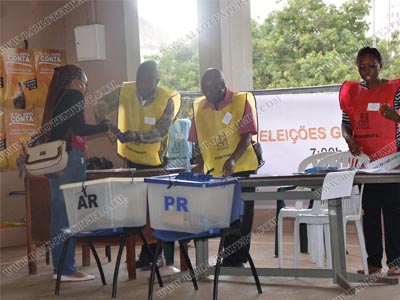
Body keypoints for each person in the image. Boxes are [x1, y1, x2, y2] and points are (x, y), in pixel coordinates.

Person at [94, 60, 181, 270]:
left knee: (155, 210)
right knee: (135, 209)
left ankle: (155, 255)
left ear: (156, 81)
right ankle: (141, 254)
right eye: (139, 81)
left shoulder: (167, 99)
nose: (141, 85)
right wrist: (107, 124)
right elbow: (100, 104)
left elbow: (162, 131)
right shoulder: (126, 90)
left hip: (155, 161)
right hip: (131, 159)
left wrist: (138, 136)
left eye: (147, 82)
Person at [38, 64, 114, 281]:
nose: (85, 88)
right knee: (70, 215)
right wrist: (104, 126)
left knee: (59, 216)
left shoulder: (57, 98)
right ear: (78, 80)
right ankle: (67, 269)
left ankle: (60, 268)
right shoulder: (73, 95)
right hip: (69, 161)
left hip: (55, 163)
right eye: (85, 83)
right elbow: (80, 129)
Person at [189, 68, 259, 267]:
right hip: (216, 172)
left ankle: (235, 259)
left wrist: (234, 159)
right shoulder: (199, 108)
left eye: (212, 88)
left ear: (222, 85)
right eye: (205, 89)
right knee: (224, 215)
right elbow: (197, 141)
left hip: (242, 166)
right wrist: (200, 162)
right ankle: (226, 257)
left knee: (242, 216)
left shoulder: (240, 101)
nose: (208, 92)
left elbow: (247, 136)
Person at [339, 46, 400, 276]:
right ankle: (373, 263)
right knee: (370, 212)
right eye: (362, 67)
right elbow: (345, 123)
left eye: (371, 66)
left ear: (380, 65)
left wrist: (396, 117)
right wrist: (349, 139)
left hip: (394, 161)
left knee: (394, 212)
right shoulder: (352, 93)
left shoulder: (396, 89)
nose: (367, 71)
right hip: (367, 165)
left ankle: (396, 263)